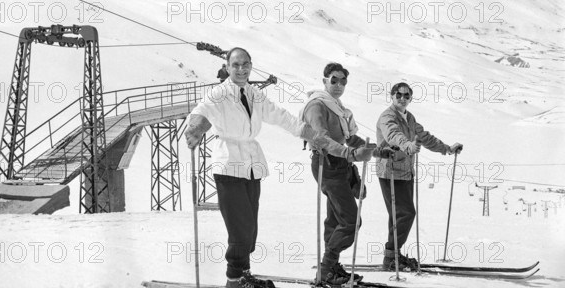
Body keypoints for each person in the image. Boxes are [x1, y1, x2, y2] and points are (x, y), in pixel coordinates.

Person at [185, 48, 351, 288]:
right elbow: (202, 111)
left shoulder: (254, 94)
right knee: (240, 228)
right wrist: (197, 127)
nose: (241, 69)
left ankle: (245, 274)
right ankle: (234, 280)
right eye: (235, 65)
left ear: (251, 65)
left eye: (245, 64)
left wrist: (309, 134)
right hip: (228, 165)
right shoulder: (219, 94)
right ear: (227, 67)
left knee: (250, 228)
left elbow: (281, 116)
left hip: (252, 166)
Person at [302, 63, 394, 285]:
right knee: (351, 221)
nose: (339, 85)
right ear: (324, 80)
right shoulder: (317, 106)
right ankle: (326, 269)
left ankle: (331, 268)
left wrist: (379, 151)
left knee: (335, 218)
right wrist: (352, 154)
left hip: (341, 163)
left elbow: (351, 139)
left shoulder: (338, 107)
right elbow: (322, 139)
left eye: (343, 81)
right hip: (328, 164)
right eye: (334, 80)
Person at [375, 82, 463, 271]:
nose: (402, 98)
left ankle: (393, 255)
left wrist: (446, 148)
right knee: (406, 213)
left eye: (407, 96)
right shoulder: (387, 117)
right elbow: (393, 135)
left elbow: (425, 137)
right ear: (392, 95)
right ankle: (391, 256)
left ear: (410, 99)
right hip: (390, 171)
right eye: (399, 94)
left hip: (405, 172)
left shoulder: (409, 118)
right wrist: (407, 146)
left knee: (398, 215)